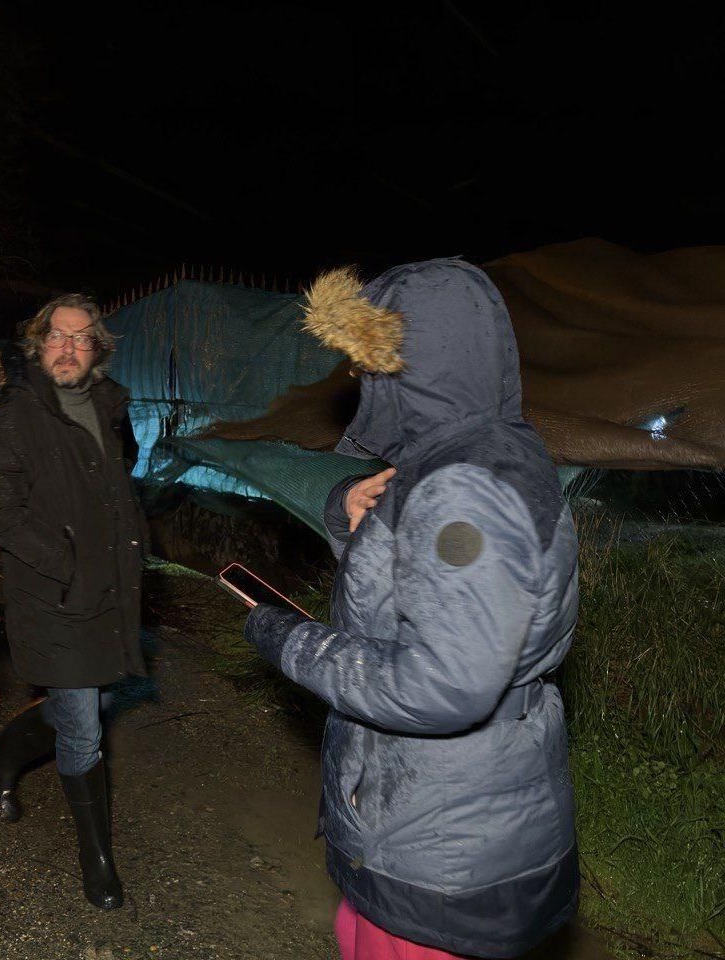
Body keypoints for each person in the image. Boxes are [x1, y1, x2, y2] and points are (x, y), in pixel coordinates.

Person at [243, 260, 579, 958]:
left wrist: (290, 639)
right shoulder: (464, 456)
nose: (358, 383)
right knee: (353, 935)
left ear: (415, 362)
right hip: (420, 815)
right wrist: (349, 513)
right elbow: (414, 588)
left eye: (367, 366)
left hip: (448, 837)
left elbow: (445, 683)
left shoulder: (465, 485)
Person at [0, 293, 145, 911]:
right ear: (37, 344)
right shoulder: (14, 415)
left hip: (112, 587)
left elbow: (120, 480)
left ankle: (3, 756)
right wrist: (66, 559)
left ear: (96, 347)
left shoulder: (111, 403)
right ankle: (97, 860)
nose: (68, 348)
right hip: (56, 593)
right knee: (84, 726)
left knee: (92, 700)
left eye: (81, 337)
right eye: (57, 336)